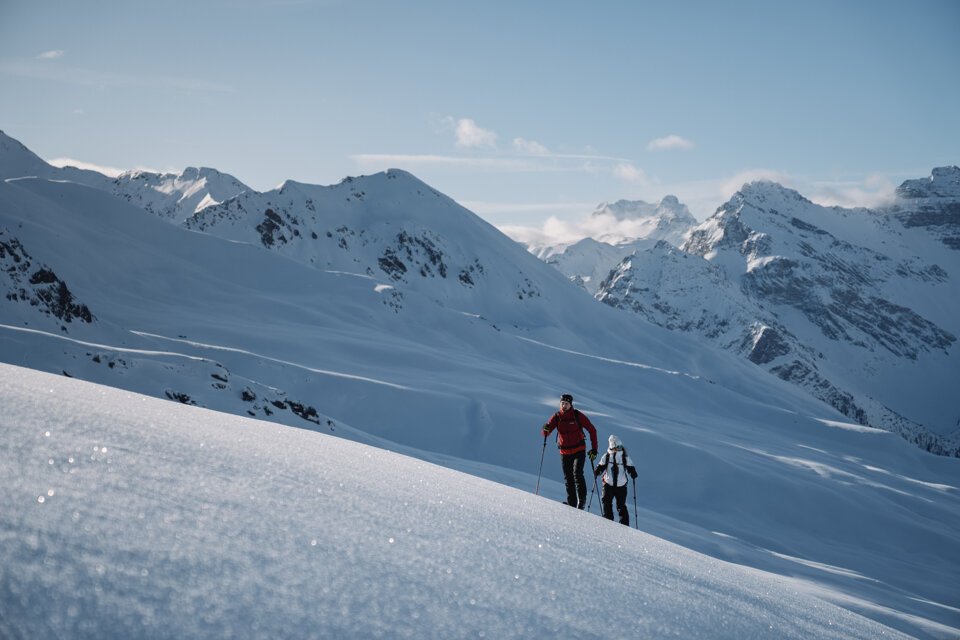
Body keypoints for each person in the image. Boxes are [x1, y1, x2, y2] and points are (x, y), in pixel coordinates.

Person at [541, 393, 598, 509]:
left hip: (579, 450)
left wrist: (594, 449)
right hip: (564, 452)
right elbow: (546, 432)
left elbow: (592, 430)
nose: (564, 406)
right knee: (568, 477)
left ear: (570, 405)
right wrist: (545, 429)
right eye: (562, 403)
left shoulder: (577, 415)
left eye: (566, 404)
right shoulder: (557, 417)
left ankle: (581, 502)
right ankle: (571, 503)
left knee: (577, 473)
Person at [594, 434, 637, 526]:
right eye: (617, 447)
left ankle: (624, 525)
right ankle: (608, 521)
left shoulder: (624, 458)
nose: (619, 448)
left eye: (620, 446)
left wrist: (632, 472)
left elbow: (630, 467)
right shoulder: (606, 456)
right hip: (608, 483)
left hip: (621, 485)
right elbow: (601, 466)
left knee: (621, 506)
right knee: (606, 501)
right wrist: (597, 471)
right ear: (612, 447)